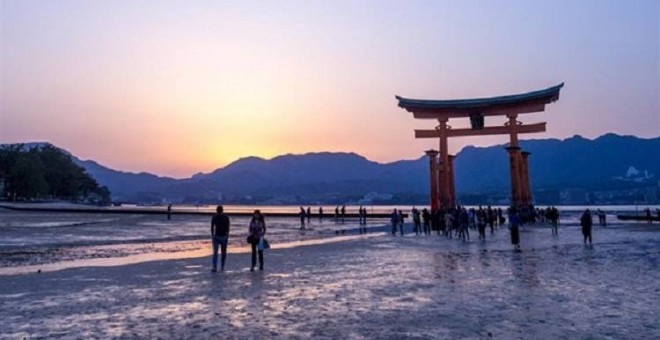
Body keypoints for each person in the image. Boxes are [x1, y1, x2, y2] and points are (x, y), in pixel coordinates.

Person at [211, 205, 230, 272]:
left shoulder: (223, 217)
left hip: (222, 236)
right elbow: (212, 226)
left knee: (222, 253)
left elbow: (228, 226)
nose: (219, 213)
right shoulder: (216, 217)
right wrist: (213, 235)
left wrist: (227, 234)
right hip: (218, 236)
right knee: (217, 252)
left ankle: (221, 266)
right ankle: (215, 267)